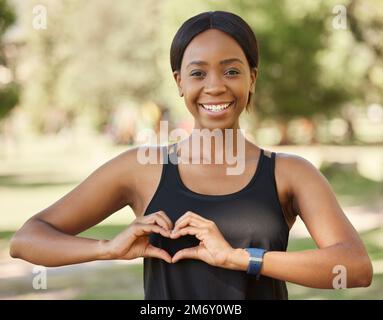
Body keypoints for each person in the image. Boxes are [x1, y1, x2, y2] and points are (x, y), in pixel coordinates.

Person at [10, 11, 372, 300]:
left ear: (253, 79)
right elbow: (27, 240)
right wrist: (107, 248)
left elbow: (354, 268)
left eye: (232, 70)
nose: (215, 85)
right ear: (179, 81)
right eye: (198, 72)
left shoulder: (290, 173)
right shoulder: (140, 169)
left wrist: (240, 258)